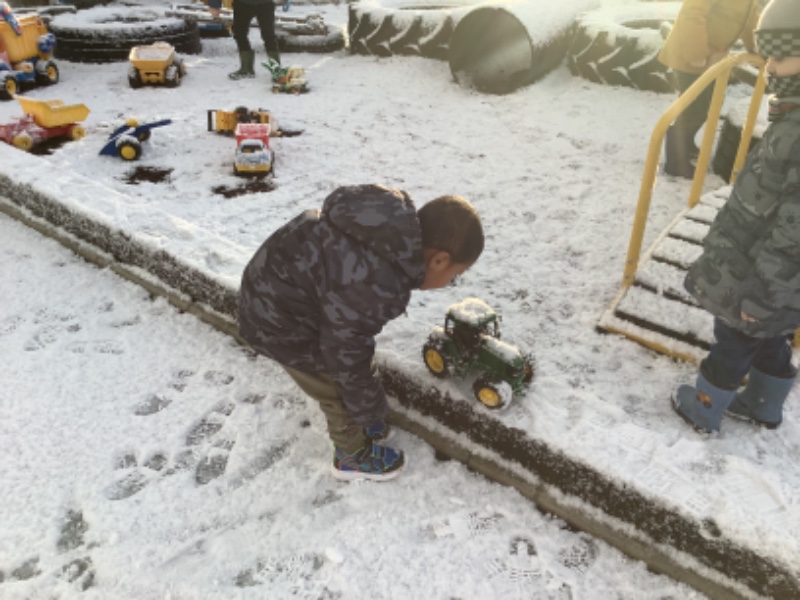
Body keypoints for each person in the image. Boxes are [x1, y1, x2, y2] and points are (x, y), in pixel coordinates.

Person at [238, 184, 484, 480]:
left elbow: (352, 334)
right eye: (454, 277)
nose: (450, 283)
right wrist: (369, 411)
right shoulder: (375, 282)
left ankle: (363, 417)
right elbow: (345, 358)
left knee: (349, 357)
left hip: (273, 293)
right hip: (277, 323)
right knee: (335, 384)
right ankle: (351, 456)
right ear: (439, 260)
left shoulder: (382, 232)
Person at [672, 0, 800, 434]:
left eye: (779, 59)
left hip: (764, 275)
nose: (770, 70)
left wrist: (765, 291)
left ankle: (704, 408)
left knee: (734, 338)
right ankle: (764, 404)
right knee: (769, 334)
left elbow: (795, 232)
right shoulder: (792, 115)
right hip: (766, 272)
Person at [658, 0, 761, 178]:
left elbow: (750, 17)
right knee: (694, 108)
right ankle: (675, 161)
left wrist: (754, 46)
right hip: (691, 55)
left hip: (714, 56)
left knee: (711, 103)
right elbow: (692, 13)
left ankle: (686, 143)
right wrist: (696, 53)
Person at [208, 0, 281, 80]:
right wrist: (214, 5)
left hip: (265, 4)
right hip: (242, 4)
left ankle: (277, 70)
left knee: (269, 35)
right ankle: (246, 69)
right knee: (239, 33)